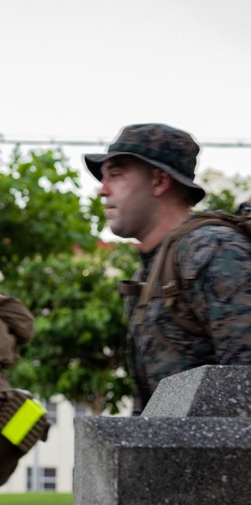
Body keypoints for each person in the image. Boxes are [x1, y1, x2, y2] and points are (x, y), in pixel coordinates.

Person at [87, 123, 251, 408]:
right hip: (175, 451)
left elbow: (245, 385)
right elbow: (150, 409)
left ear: (160, 181)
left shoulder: (212, 250)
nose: (102, 190)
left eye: (116, 175)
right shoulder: (150, 273)